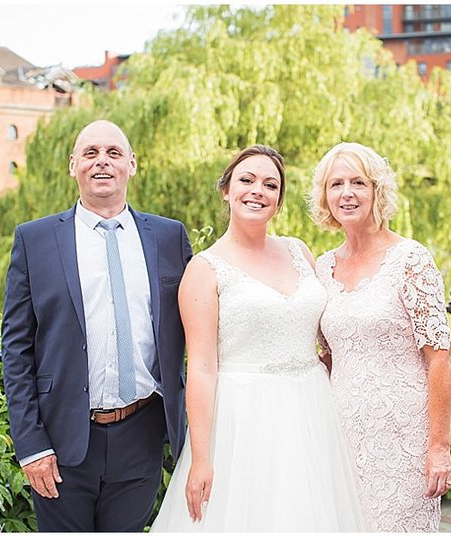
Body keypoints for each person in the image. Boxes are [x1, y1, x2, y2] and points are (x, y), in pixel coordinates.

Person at [150, 145, 369, 531]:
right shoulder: (204, 270)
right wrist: (201, 457)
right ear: (226, 190)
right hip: (244, 419)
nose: (258, 191)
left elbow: (324, 327)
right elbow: (200, 367)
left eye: (270, 184)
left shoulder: (299, 251)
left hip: (313, 412)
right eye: (247, 180)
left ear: (279, 200)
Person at [0, 120, 191, 532]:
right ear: (73, 166)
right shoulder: (35, 240)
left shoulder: (169, 237)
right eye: (90, 153)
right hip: (62, 440)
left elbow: (197, 328)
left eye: (113, 153)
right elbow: (15, 349)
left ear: (132, 165)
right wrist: (31, 446)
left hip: (143, 432)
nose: (101, 162)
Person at [309, 142, 451, 532]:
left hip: (404, 436)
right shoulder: (322, 268)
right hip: (340, 434)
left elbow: (439, 357)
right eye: (336, 183)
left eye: (358, 182)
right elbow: (327, 354)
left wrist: (439, 447)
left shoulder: (411, 259)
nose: (347, 193)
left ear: (377, 191)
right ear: (325, 195)